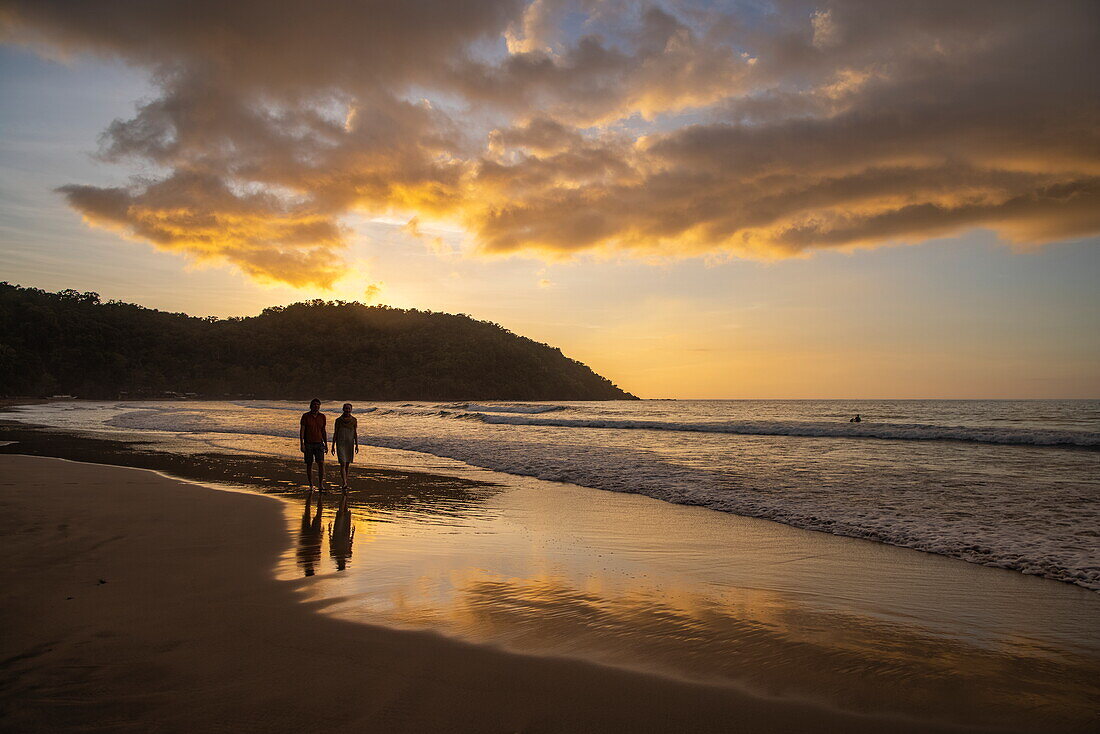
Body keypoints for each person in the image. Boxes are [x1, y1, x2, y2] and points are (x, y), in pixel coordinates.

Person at [300, 398, 327, 493]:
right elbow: (302, 430)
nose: (316, 406)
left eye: (318, 405)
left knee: (321, 464)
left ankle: (320, 484)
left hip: (319, 443)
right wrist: (302, 444)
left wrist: (326, 444)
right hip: (308, 443)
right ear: (311, 406)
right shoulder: (305, 416)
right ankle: (311, 484)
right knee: (309, 464)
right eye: (314, 404)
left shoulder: (322, 416)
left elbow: (323, 431)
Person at [330, 402, 358, 490]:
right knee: (342, 463)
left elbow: (355, 433)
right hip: (340, 443)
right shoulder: (338, 420)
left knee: (347, 464)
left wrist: (357, 445)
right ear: (343, 409)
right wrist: (333, 445)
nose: (347, 410)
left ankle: (346, 481)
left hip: (349, 444)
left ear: (351, 410)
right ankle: (344, 483)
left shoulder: (354, 420)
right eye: (346, 408)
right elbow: (335, 432)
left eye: (349, 409)